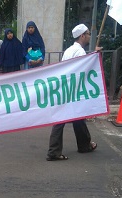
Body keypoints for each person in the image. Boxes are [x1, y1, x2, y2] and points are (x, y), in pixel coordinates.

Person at [46, 24, 99, 161]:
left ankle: (84, 145)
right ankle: (54, 152)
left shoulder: (69, 50)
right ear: (82, 35)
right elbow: (82, 70)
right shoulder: (80, 51)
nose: (89, 36)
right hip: (72, 89)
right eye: (87, 34)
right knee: (62, 119)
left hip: (66, 87)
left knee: (78, 117)